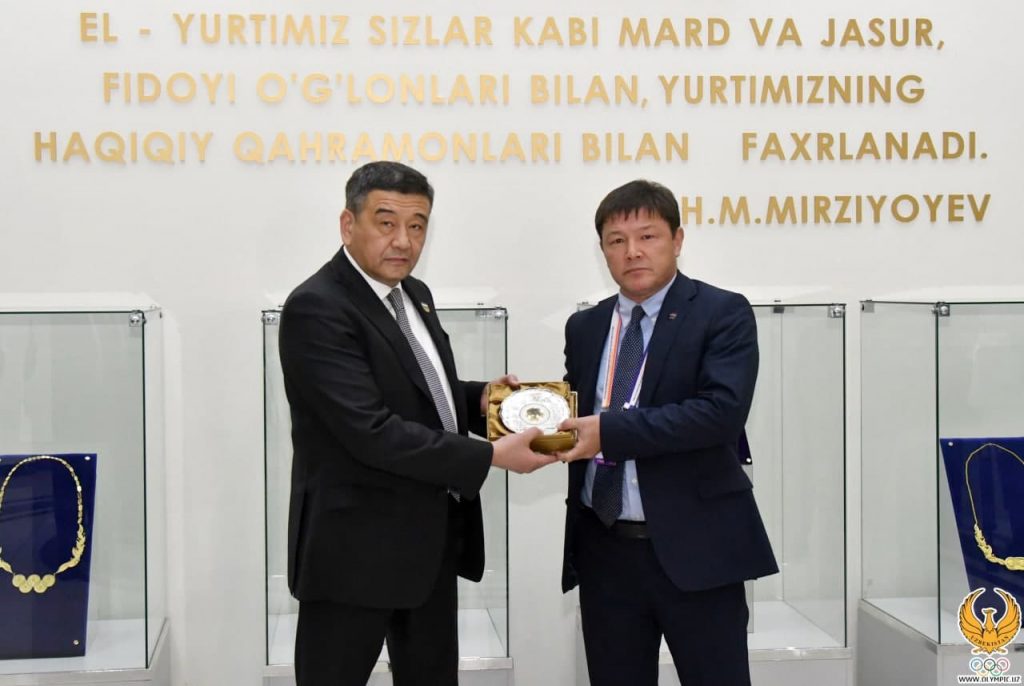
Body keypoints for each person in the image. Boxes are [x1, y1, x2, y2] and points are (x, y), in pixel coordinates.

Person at [278, 161, 554, 686]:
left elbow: (422, 393)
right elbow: (370, 430)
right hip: (353, 555)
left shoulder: (413, 293)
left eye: (418, 225)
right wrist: (491, 455)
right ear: (347, 225)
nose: (403, 241)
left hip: (428, 546)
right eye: (386, 223)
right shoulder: (317, 306)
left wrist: (484, 401)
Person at [556, 180, 778, 686]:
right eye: (616, 240)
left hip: (698, 548)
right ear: (603, 251)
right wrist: (524, 415)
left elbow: (720, 413)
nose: (632, 251)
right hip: (605, 549)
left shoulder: (722, 312)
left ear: (677, 240)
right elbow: (575, 411)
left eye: (648, 236)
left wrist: (608, 432)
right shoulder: (585, 327)